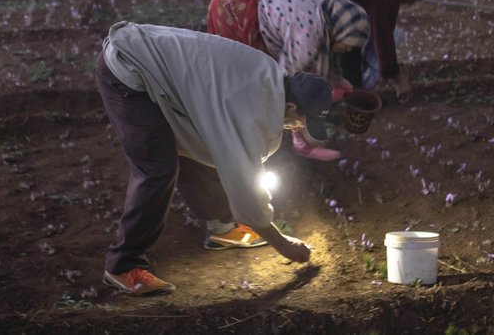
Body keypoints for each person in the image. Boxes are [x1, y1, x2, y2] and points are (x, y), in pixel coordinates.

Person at [95, 21, 334, 296]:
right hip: (127, 70)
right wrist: (283, 244)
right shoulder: (249, 107)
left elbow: (224, 148)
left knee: (203, 145)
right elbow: (244, 185)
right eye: (301, 121)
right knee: (157, 169)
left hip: (151, 63)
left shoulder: (268, 78)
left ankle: (222, 226)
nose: (298, 128)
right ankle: (123, 266)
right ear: (291, 107)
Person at [206, 0, 370, 162]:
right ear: (342, 29)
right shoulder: (309, 36)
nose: (347, 50)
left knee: (271, 83)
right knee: (242, 78)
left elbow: (321, 59)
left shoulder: (324, 11)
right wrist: (297, 121)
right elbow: (283, 82)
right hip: (235, 7)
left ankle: (273, 135)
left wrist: (337, 83)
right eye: (348, 44)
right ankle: (241, 138)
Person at [288, 0, 437, 102]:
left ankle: (350, 91)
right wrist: (397, 79)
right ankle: (346, 97)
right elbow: (383, 35)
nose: (412, 4)